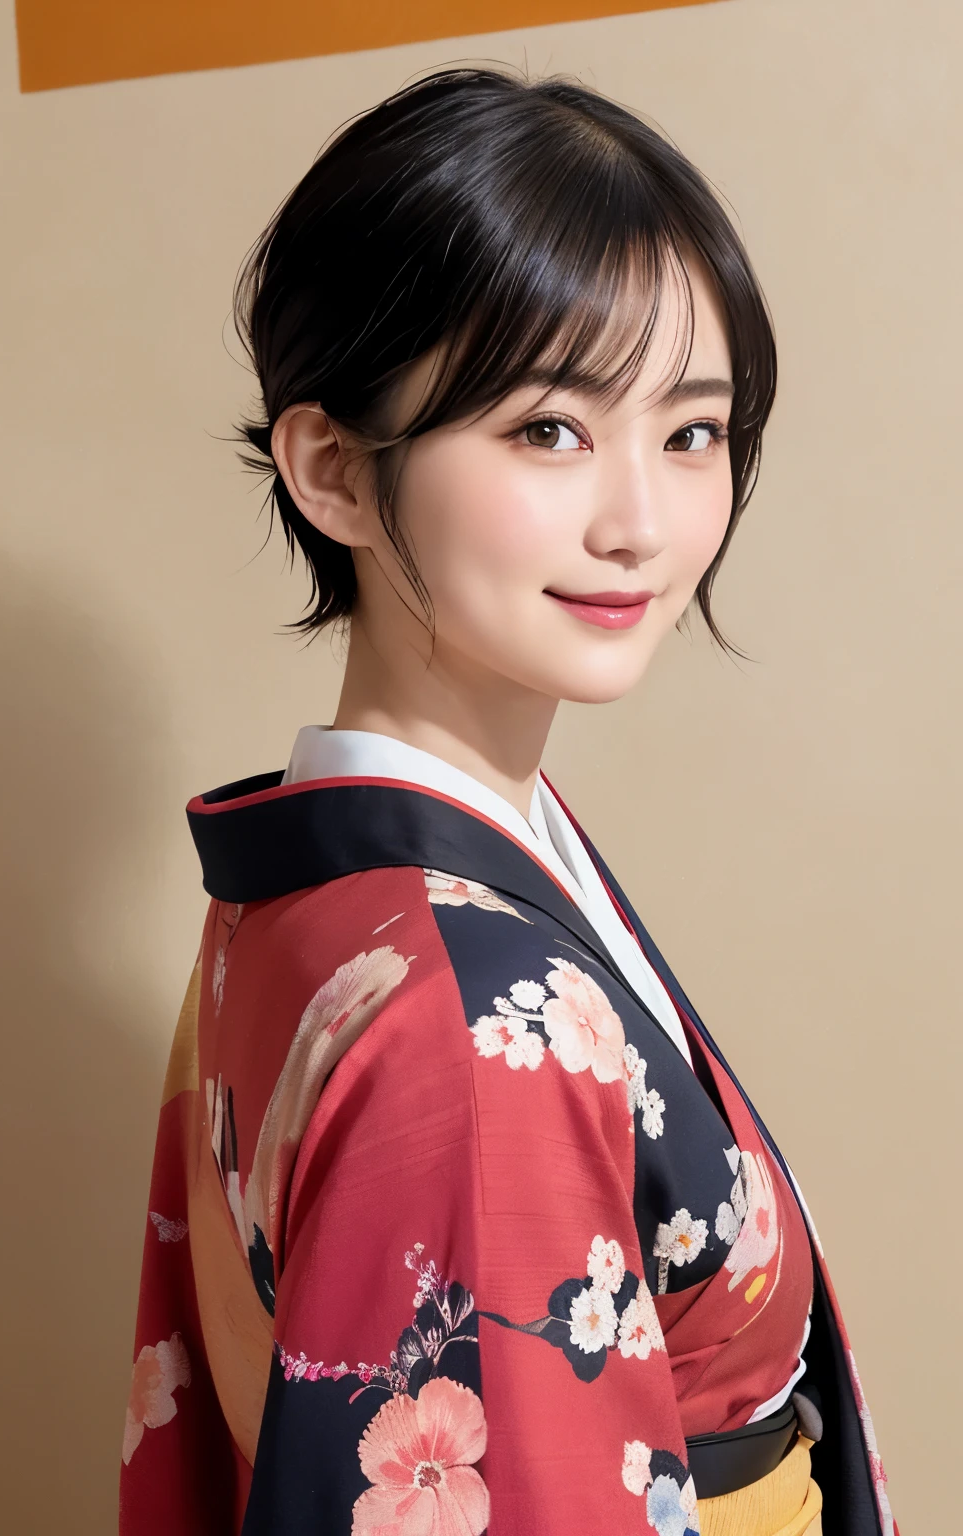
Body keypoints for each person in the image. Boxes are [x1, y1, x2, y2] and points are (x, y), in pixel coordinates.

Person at [120, 68, 896, 1536]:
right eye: (548, 429)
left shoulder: (310, 883)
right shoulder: (469, 1022)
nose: (641, 522)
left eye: (690, 432)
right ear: (336, 470)